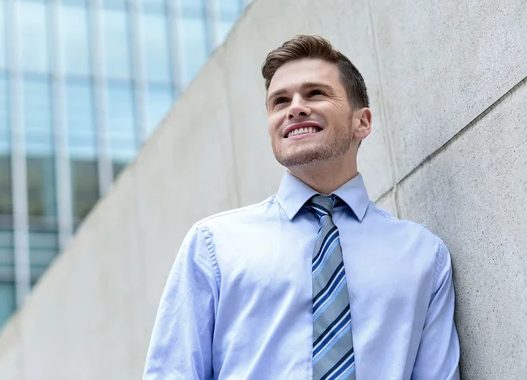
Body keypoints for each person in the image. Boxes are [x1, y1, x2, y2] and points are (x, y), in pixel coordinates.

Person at [143, 35, 460, 379]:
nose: (295, 107)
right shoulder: (214, 245)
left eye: (315, 93)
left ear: (362, 122)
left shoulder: (423, 255)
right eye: (279, 101)